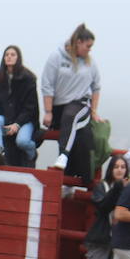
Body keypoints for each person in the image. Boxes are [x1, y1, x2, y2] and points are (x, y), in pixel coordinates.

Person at [41, 24, 102, 175]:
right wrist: (48, 111)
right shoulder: (56, 57)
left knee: (71, 116)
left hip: (80, 103)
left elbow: (96, 87)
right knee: (77, 134)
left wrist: (94, 111)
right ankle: (68, 178)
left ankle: (63, 155)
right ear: (79, 42)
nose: (89, 49)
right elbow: (47, 85)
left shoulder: (90, 62)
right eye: (88, 46)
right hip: (58, 106)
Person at [0, 45, 39, 167]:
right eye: (6, 54)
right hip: (6, 116)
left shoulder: (28, 78)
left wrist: (17, 124)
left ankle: (32, 153)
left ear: (18, 58)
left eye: (12, 54)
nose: (9, 57)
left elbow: (31, 107)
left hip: (25, 120)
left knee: (22, 141)